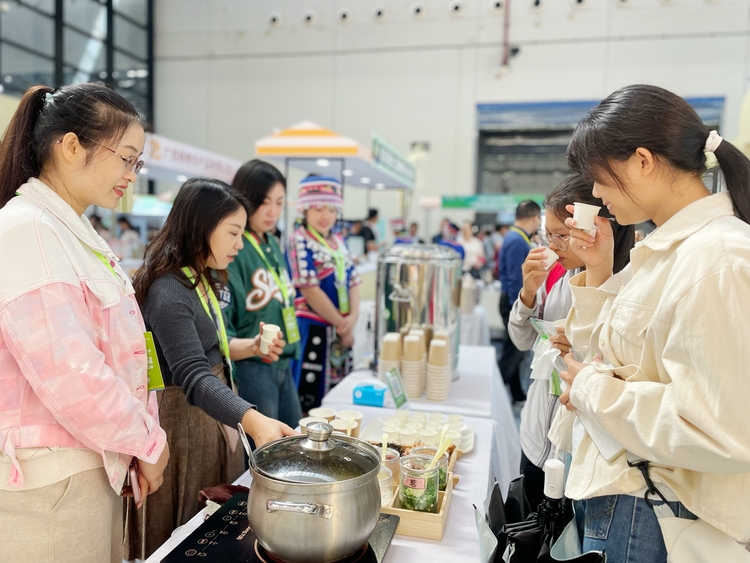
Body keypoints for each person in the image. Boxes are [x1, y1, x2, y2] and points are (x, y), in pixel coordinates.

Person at [553, 84, 750, 561]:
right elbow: (626, 357)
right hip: (631, 498)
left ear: (643, 160)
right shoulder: (672, 250)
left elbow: (720, 429)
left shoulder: (716, 258)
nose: (596, 193)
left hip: (656, 511)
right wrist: (598, 269)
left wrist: (592, 390)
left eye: (599, 177)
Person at [0, 83, 169, 563]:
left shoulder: (72, 232)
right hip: (50, 483)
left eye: (137, 163)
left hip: (89, 464)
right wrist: (148, 440)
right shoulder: (28, 229)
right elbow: (72, 373)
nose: (132, 175)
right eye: (126, 158)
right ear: (71, 146)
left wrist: (138, 440)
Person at [129, 178, 294, 558]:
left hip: (213, 417)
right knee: (187, 532)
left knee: (214, 522)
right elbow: (193, 374)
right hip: (185, 427)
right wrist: (252, 419)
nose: (240, 243)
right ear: (202, 228)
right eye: (233, 233)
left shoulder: (200, 276)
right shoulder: (169, 291)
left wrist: (251, 346)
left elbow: (210, 351)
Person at [507, 175, 634, 510]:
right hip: (537, 435)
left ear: (597, 228)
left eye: (562, 235)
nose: (553, 246)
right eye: (547, 235)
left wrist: (578, 349)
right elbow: (522, 340)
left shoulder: (628, 288)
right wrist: (528, 293)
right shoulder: (559, 277)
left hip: (581, 451)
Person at [223, 160, 303, 428]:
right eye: (265, 201)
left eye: (279, 203)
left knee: (291, 441)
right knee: (265, 451)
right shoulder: (236, 247)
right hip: (252, 363)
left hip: (283, 360)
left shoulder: (271, 241)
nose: (273, 212)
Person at [289, 176, 361, 411]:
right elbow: (310, 290)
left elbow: (353, 280)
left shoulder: (339, 240)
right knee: (311, 398)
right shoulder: (299, 239)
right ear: (305, 209)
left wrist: (351, 320)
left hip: (339, 331)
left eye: (331, 209)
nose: (325, 215)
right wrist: (343, 324)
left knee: (338, 398)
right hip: (314, 330)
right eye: (319, 208)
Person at [497, 199, 542, 403]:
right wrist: (523, 308)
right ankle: (495, 391)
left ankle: (516, 393)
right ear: (534, 218)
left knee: (514, 350)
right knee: (512, 353)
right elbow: (517, 279)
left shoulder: (515, 237)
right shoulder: (517, 240)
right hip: (512, 300)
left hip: (509, 298)